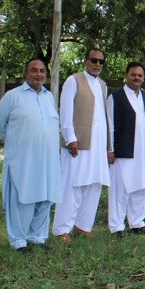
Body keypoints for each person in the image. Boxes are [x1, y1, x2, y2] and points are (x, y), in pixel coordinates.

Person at [0, 58, 61, 252]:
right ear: (25, 72)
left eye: (42, 71)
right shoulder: (12, 97)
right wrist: (19, 141)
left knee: (45, 198)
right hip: (23, 159)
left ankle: (38, 237)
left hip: (47, 159)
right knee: (22, 198)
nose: (38, 74)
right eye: (34, 70)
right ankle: (19, 241)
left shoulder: (49, 97)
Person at [53, 48, 110, 242]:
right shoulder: (73, 80)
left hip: (98, 145)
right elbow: (66, 111)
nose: (97, 64)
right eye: (94, 60)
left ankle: (83, 225)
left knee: (94, 184)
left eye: (101, 62)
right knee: (72, 184)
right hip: (78, 143)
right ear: (85, 61)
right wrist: (70, 138)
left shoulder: (103, 85)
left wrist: (107, 146)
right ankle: (62, 229)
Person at [106, 62, 145, 236]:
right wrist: (110, 149)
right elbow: (110, 124)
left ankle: (137, 222)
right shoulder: (116, 97)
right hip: (123, 150)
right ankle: (116, 226)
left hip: (144, 151)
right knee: (121, 188)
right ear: (126, 76)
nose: (137, 78)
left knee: (142, 186)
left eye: (140, 75)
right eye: (133, 74)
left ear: (143, 78)